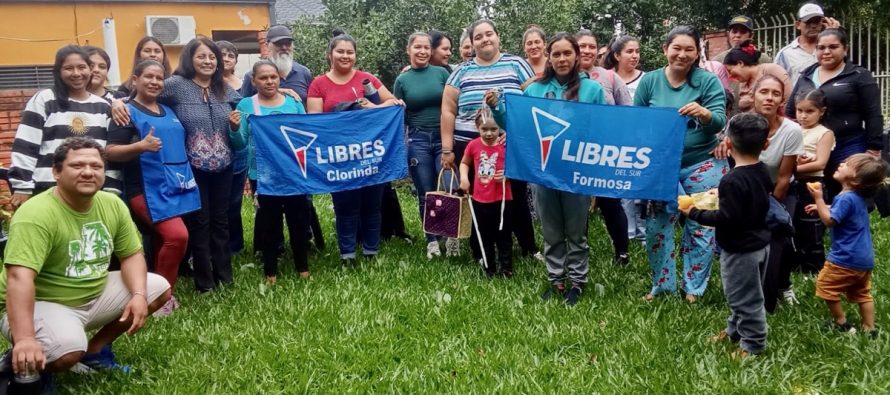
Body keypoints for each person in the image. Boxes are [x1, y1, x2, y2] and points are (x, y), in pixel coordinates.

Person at [0, 137, 171, 389]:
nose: (88, 172)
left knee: (157, 287)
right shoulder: (36, 214)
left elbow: (131, 255)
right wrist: (25, 338)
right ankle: (24, 359)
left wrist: (138, 294)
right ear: (56, 172)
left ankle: (95, 353)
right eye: (77, 166)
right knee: (68, 351)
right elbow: (19, 278)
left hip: (91, 293)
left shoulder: (111, 203)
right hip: (41, 302)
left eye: (96, 166)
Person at [112, 38, 241, 293]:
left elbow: (247, 104)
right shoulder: (175, 86)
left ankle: (225, 277)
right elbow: (140, 93)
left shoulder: (223, 88)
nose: (208, 61)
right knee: (200, 224)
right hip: (191, 168)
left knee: (221, 222)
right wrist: (116, 103)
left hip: (224, 164)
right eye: (201, 56)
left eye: (212, 57)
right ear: (189, 59)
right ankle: (204, 282)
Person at [493, 33, 606, 305]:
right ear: (549, 57)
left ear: (577, 56)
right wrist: (497, 109)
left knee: (576, 231)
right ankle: (556, 279)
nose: (562, 59)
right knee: (552, 229)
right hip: (543, 171)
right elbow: (518, 126)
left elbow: (603, 129)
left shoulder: (592, 91)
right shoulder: (533, 91)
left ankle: (578, 281)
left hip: (576, 172)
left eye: (567, 53)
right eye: (556, 54)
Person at [633, 26, 727, 302]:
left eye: (689, 49)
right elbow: (636, 123)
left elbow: (720, 121)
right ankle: (662, 285)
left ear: (698, 52)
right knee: (657, 226)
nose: (682, 54)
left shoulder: (708, 82)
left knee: (702, 225)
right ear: (665, 49)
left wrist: (706, 114)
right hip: (661, 166)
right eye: (677, 48)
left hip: (703, 164)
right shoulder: (650, 82)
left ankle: (693, 288)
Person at [441, 19, 541, 262]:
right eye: (478, 36)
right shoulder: (461, 71)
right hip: (470, 144)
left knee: (515, 196)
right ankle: (482, 250)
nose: (485, 39)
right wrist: (447, 149)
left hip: (510, 144)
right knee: (480, 199)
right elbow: (447, 110)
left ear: (498, 37)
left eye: (489, 34)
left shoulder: (517, 64)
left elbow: (532, 102)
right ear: (472, 43)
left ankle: (528, 247)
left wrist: (518, 131)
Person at [106, 59, 195, 316]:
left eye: (159, 78)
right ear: (135, 80)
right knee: (177, 236)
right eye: (149, 77)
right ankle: (161, 299)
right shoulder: (125, 111)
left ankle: (151, 288)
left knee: (161, 239)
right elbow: (110, 151)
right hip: (144, 189)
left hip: (176, 186)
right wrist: (140, 147)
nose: (155, 82)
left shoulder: (169, 110)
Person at [681, 112, 773, 358]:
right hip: (761, 244)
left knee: (744, 298)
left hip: (740, 249)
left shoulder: (731, 180)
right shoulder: (762, 171)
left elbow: (726, 218)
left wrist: (694, 213)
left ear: (728, 144)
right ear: (766, 144)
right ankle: (734, 331)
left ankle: (753, 345)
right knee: (744, 292)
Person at [306, 32, 401, 267]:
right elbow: (314, 120)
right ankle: (347, 253)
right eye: (340, 51)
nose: (345, 56)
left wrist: (371, 106)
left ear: (355, 55)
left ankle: (371, 250)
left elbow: (393, 103)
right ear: (330, 55)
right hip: (339, 157)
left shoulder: (366, 78)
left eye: (350, 52)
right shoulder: (319, 84)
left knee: (372, 205)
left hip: (370, 154)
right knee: (344, 207)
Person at [9, 45, 121, 208]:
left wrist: (111, 189)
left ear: (90, 69)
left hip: (90, 192)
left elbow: (107, 154)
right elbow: (26, 145)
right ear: (59, 72)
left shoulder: (103, 107)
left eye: (81, 67)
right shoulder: (45, 99)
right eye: (69, 68)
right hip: (47, 189)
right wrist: (22, 186)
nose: (76, 73)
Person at [230, 60, 309, 283]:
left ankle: (303, 268)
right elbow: (240, 144)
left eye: (273, 77)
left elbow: (305, 135)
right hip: (263, 176)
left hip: (293, 173)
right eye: (263, 78)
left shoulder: (293, 102)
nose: (269, 81)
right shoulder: (246, 105)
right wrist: (234, 129)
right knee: (269, 224)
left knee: (298, 222)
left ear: (279, 79)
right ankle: (270, 272)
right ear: (253, 81)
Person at [785, 28, 884, 204]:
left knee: (850, 194)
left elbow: (873, 113)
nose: (826, 52)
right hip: (812, 148)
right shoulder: (806, 75)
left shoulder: (858, 75)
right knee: (818, 195)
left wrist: (873, 149)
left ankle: (853, 229)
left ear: (845, 49)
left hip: (848, 145)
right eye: (821, 47)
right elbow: (791, 110)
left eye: (833, 47)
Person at [806, 154, 888, 335]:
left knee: (825, 287)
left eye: (847, 165)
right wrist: (824, 207)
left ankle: (841, 323)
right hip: (863, 258)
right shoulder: (855, 197)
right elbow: (843, 213)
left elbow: (829, 221)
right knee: (862, 293)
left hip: (845, 258)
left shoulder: (845, 198)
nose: (841, 164)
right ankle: (869, 328)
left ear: (856, 179)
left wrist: (818, 199)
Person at [575, 29, 634, 265]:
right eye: (581, 46)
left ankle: (622, 251)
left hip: (605, 153)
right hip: (575, 153)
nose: (587, 51)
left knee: (610, 202)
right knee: (577, 205)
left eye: (591, 46)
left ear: (598, 50)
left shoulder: (609, 78)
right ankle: (581, 249)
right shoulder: (564, 78)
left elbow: (629, 112)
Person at [393, 32, 454, 259]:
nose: (422, 51)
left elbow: (453, 102)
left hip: (443, 139)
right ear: (408, 50)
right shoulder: (402, 80)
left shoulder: (442, 73)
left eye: (426, 47)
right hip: (417, 140)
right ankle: (432, 240)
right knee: (425, 193)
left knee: (447, 189)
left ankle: (449, 235)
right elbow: (397, 113)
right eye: (417, 47)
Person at [748, 75, 803, 312]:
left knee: (778, 238)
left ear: (782, 99)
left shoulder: (791, 130)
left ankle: (780, 288)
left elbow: (783, 177)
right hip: (748, 192)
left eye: (776, 93)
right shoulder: (740, 123)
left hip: (780, 192)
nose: (769, 98)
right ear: (753, 95)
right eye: (764, 92)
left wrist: (767, 206)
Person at [603, 34, 647, 244]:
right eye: (629, 51)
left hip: (642, 141)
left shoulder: (646, 79)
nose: (635, 55)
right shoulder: (607, 77)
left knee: (641, 187)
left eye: (637, 51)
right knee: (622, 186)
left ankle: (643, 230)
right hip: (617, 142)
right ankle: (628, 231)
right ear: (617, 55)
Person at [459, 107, 512, 278]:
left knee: (503, 235)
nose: (489, 133)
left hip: (503, 199)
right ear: (477, 128)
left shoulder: (506, 146)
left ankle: (506, 268)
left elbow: (518, 168)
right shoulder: (473, 145)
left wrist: (507, 175)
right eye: (484, 129)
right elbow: (464, 163)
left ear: (500, 129)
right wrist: (464, 179)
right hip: (480, 200)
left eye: (493, 129)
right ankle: (489, 267)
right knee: (485, 235)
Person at [792, 89, 835, 274]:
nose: (803, 116)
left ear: (822, 111)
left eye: (810, 111)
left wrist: (791, 169)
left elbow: (821, 162)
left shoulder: (824, 133)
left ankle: (814, 268)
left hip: (813, 184)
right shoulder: (793, 129)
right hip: (792, 184)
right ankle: (795, 264)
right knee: (794, 226)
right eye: (799, 110)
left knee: (812, 228)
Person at [215, 40, 250, 257]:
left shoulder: (245, 83)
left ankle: (236, 246)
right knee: (218, 202)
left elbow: (266, 88)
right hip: (216, 147)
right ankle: (217, 244)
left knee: (235, 201)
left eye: (230, 55)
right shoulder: (207, 83)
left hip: (241, 148)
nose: (226, 58)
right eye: (222, 54)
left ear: (236, 60)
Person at [775, 3, 842, 86]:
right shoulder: (785, 54)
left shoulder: (831, 49)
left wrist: (833, 34)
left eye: (817, 21)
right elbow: (776, 83)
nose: (813, 26)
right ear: (798, 25)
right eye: (808, 22)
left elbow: (841, 69)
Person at [240, 25, 312, 101]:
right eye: (279, 43)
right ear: (267, 45)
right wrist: (276, 91)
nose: (284, 47)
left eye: (288, 44)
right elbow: (243, 107)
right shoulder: (253, 76)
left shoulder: (304, 73)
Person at [721, 40, 791, 113]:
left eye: (730, 70)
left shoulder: (771, 70)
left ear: (740, 63)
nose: (730, 76)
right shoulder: (743, 83)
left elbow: (787, 101)